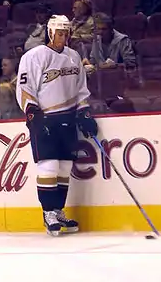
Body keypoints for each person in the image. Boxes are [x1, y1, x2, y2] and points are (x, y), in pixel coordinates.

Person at [16, 15, 98, 236]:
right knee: (49, 166)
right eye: (59, 33)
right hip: (44, 119)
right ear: (50, 33)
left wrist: (84, 111)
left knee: (64, 168)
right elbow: (25, 88)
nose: (63, 37)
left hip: (67, 119)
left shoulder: (73, 57)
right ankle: (48, 213)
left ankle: (58, 211)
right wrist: (32, 112)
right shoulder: (34, 56)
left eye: (66, 33)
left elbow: (81, 89)